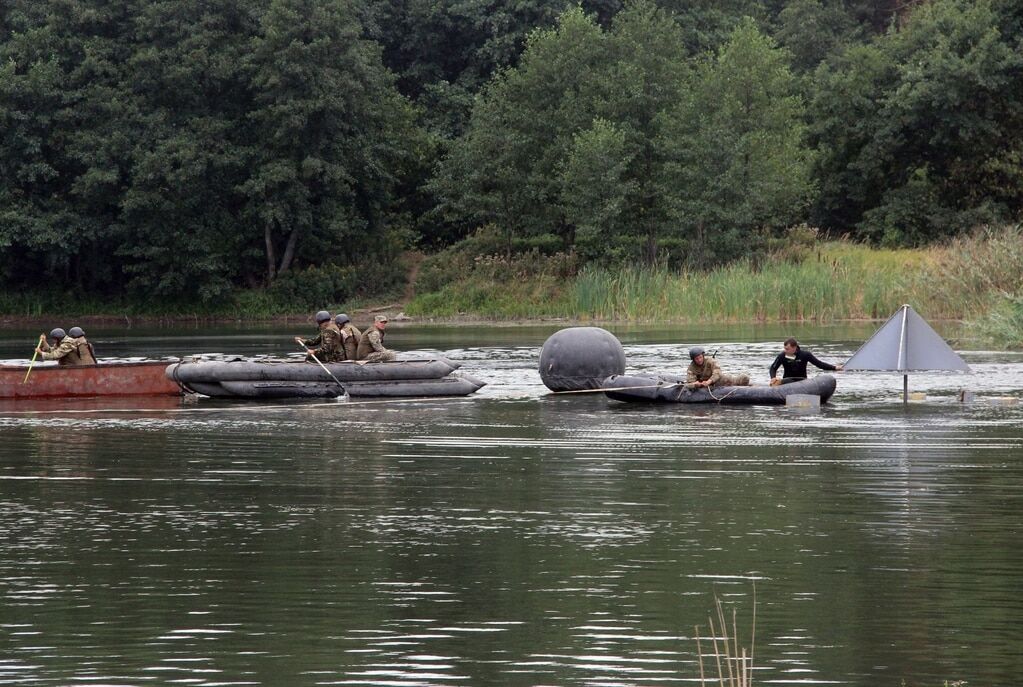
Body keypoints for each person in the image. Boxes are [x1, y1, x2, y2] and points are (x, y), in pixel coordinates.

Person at [769, 337, 842, 385]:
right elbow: (773, 368)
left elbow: (819, 364)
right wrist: (773, 377)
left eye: (787, 349)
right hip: (787, 382)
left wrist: (834, 368)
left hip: (802, 381)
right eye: (784, 348)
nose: (785, 351)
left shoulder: (805, 355)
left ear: (794, 347)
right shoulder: (782, 356)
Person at [685, 346, 749, 389]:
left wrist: (709, 382)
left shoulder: (710, 361)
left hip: (717, 380)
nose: (699, 360)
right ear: (693, 359)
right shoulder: (691, 368)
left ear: (703, 356)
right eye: (696, 359)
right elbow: (688, 383)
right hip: (703, 384)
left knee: (743, 378)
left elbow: (717, 372)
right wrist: (696, 384)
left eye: (700, 357)